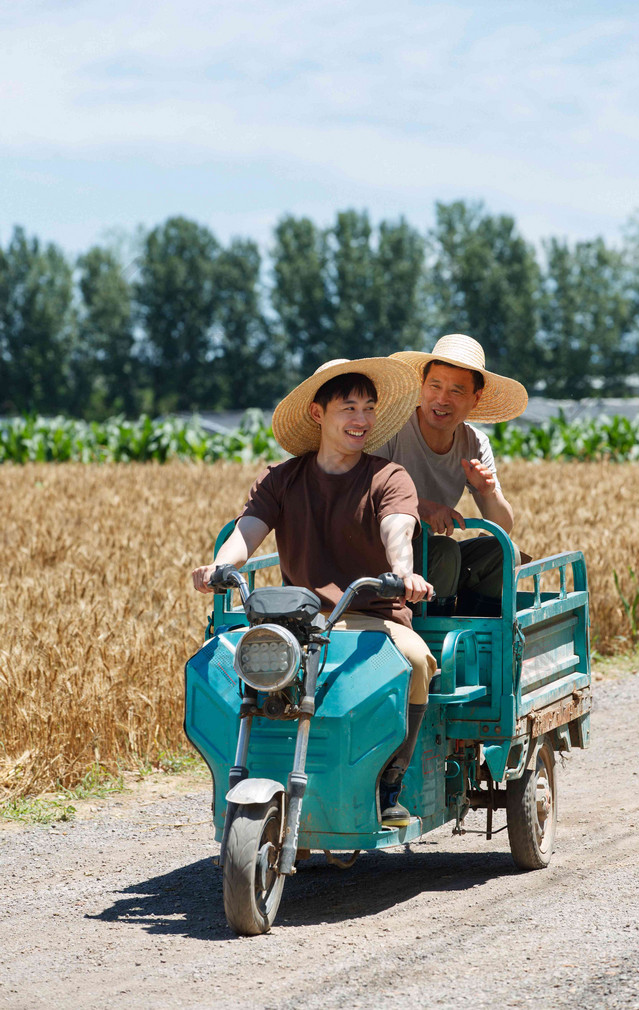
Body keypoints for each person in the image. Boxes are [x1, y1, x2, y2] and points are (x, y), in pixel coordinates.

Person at [192, 357, 437, 827]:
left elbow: (397, 531)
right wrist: (220, 566)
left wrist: (403, 573)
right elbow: (247, 532)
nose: (361, 420)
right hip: (296, 622)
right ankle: (237, 774)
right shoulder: (281, 478)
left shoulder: (388, 478)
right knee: (219, 666)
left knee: (417, 660)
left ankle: (391, 782)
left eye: (369, 408)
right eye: (349, 407)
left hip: (371, 616)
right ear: (317, 413)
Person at [375, 334, 529, 616]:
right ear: (422, 386)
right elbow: (365, 494)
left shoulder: (474, 443)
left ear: (476, 397)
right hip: (380, 553)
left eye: (456, 391)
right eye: (435, 386)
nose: (442, 399)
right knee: (445, 550)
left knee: (504, 553)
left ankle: (481, 644)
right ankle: (434, 641)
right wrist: (422, 507)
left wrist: (487, 491)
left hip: (431, 554)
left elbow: (503, 524)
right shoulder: (392, 428)